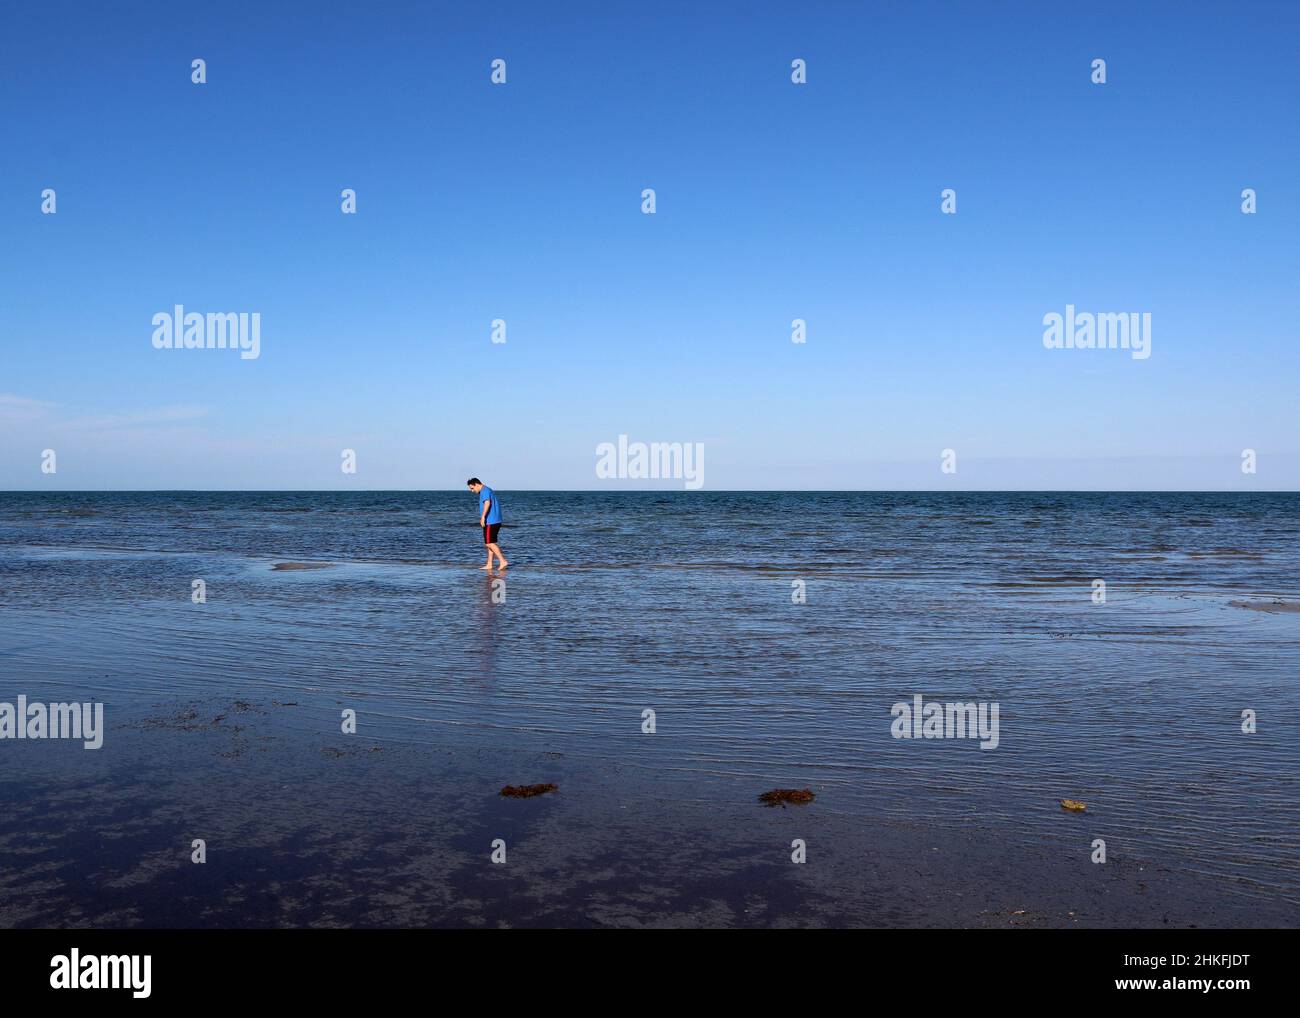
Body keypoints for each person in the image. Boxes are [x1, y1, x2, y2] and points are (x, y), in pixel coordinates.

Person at [466, 478, 507, 571]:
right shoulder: (487, 490)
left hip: (491, 521)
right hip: (495, 520)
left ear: (477, 484)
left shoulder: (484, 491)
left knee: (489, 543)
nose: (472, 491)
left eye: (472, 488)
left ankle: (503, 561)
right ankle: (489, 564)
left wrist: (483, 517)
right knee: (490, 543)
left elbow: (487, 503)